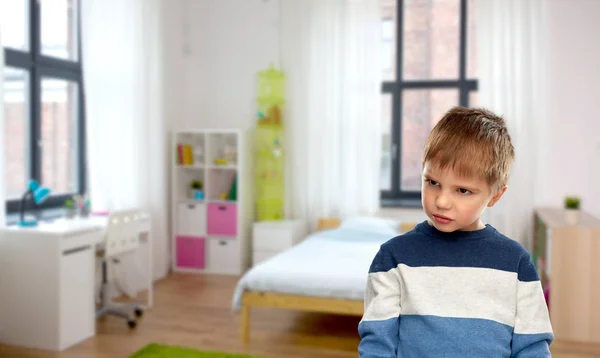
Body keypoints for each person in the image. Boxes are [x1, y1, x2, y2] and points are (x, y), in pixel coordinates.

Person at [358, 107, 553, 357]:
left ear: (495, 195)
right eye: (433, 182)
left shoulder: (516, 263)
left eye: (462, 190)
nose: (441, 201)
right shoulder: (393, 257)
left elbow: (533, 346)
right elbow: (377, 343)